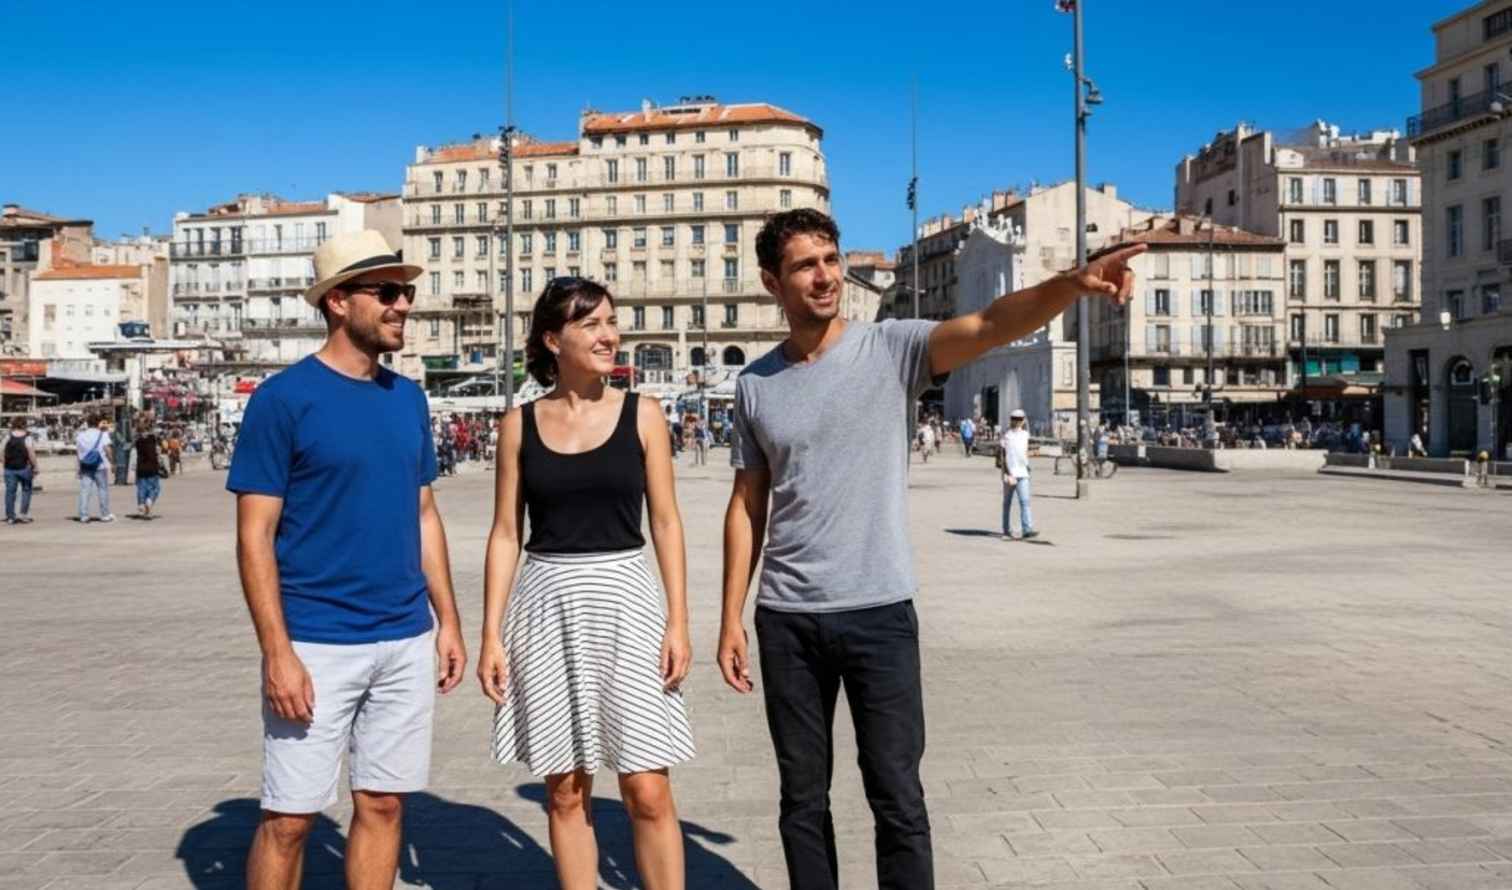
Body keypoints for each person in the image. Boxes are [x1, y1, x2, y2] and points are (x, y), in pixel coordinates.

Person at [717, 208, 1142, 890]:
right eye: (805, 265)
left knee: (897, 798)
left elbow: (989, 324)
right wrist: (729, 617)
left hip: (878, 612)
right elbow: (747, 504)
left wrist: (1071, 284)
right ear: (772, 281)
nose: (825, 276)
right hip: (787, 619)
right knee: (801, 800)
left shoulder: (891, 349)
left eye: (831, 258)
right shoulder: (755, 384)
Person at [227, 230, 467, 890]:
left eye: (406, 293)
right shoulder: (283, 399)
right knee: (290, 818)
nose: (402, 306)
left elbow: (423, 514)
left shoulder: (409, 398)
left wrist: (447, 619)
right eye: (386, 292)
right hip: (315, 643)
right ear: (337, 301)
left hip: (404, 639)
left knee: (384, 804)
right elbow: (254, 536)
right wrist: (277, 650)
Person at [480, 277, 694, 890]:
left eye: (610, 321)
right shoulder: (517, 425)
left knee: (647, 787)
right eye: (592, 324)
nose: (610, 335)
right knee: (566, 791)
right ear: (553, 339)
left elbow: (667, 523)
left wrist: (678, 621)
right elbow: (503, 534)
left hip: (628, 599)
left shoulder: (643, 414)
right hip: (546, 605)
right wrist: (491, 635)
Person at [1000, 409, 1036, 540]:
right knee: (1007, 503)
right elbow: (1002, 456)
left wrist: (1027, 465)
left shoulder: (1026, 435)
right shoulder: (1006, 435)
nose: (1017, 421)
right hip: (1010, 473)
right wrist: (1007, 472)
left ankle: (1027, 529)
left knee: (1025, 501)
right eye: (1015, 418)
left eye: (1020, 419)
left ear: (1023, 421)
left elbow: (1024, 452)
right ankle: (1006, 529)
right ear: (1011, 420)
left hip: (1023, 472)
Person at [76, 415, 114, 523]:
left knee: (85, 490)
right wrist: (112, 463)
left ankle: (83, 515)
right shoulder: (103, 435)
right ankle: (105, 514)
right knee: (102, 489)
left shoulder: (80, 436)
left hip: (86, 465)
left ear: (87, 423)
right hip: (100, 465)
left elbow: (78, 453)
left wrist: (78, 467)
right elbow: (107, 450)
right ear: (98, 423)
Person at [4, 417, 38, 525]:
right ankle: (23, 514)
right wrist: (35, 466)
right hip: (24, 468)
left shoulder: (8, 436)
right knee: (26, 491)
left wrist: (4, 461)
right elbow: (31, 453)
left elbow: (0, 450)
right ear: (24, 425)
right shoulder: (28, 437)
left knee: (10, 493)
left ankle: (10, 517)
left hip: (9, 468)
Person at [134, 415, 164, 518]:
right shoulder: (152, 439)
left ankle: (142, 504)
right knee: (155, 488)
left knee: (142, 488)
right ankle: (149, 501)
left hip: (141, 468)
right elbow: (155, 452)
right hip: (152, 467)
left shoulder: (137, 440)